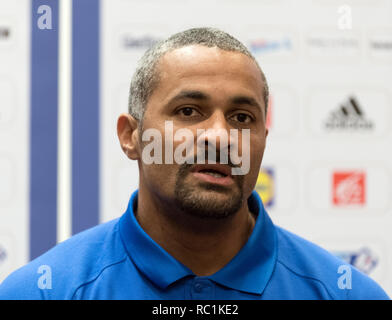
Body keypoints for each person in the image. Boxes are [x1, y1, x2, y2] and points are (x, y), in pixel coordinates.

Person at [0, 27, 389, 300]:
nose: (220, 137)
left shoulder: (345, 293)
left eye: (241, 118)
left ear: (262, 142)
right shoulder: (41, 292)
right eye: (188, 111)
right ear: (131, 136)